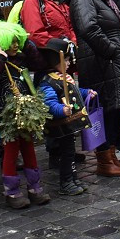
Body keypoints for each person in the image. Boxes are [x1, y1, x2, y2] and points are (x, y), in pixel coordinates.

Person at [63, 0, 120, 177]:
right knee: (103, 111)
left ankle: (111, 157)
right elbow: (88, 27)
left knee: (112, 110)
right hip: (101, 61)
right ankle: (104, 161)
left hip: (108, 61)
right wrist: (111, 50)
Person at [0, 21, 50, 209]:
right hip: (6, 115)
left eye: (16, 41)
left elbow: (39, 63)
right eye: (11, 42)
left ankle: (35, 188)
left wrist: (27, 43)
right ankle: (12, 192)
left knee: (28, 147)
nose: (15, 46)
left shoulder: (20, 58)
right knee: (10, 151)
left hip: (25, 113)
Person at [38, 39, 92, 195]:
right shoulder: (48, 81)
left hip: (70, 126)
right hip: (61, 126)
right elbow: (48, 103)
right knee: (65, 154)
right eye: (66, 60)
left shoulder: (63, 77)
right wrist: (62, 110)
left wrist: (86, 92)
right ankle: (66, 181)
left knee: (70, 152)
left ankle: (73, 178)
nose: (69, 63)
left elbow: (73, 92)